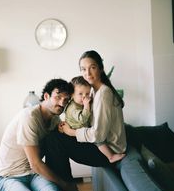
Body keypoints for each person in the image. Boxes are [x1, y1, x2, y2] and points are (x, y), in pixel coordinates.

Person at [0, 79, 79, 191]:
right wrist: (65, 185)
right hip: (8, 177)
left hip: (33, 175)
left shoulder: (54, 120)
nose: (61, 103)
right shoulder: (29, 117)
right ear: (46, 96)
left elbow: (58, 151)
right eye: (57, 97)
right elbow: (36, 163)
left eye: (65, 100)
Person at [42, 50, 127, 183]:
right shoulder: (93, 91)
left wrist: (71, 132)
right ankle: (58, 184)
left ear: (101, 68)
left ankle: (63, 185)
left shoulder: (104, 93)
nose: (87, 73)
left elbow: (98, 135)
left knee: (54, 140)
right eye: (83, 69)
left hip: (107, 150)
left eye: (92, 67)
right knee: (54, 136)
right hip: (100, 145)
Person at [65, 76, 125, 163]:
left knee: (98, 134)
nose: (84, 97)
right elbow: (82, 119)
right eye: (80, 94)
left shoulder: (78, 103)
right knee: (98, 140)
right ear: (72, 94)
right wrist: (86, 105)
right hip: (76, 132)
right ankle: (111, 156)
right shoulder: (73, 107)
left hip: (81, 129)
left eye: (87, 93)